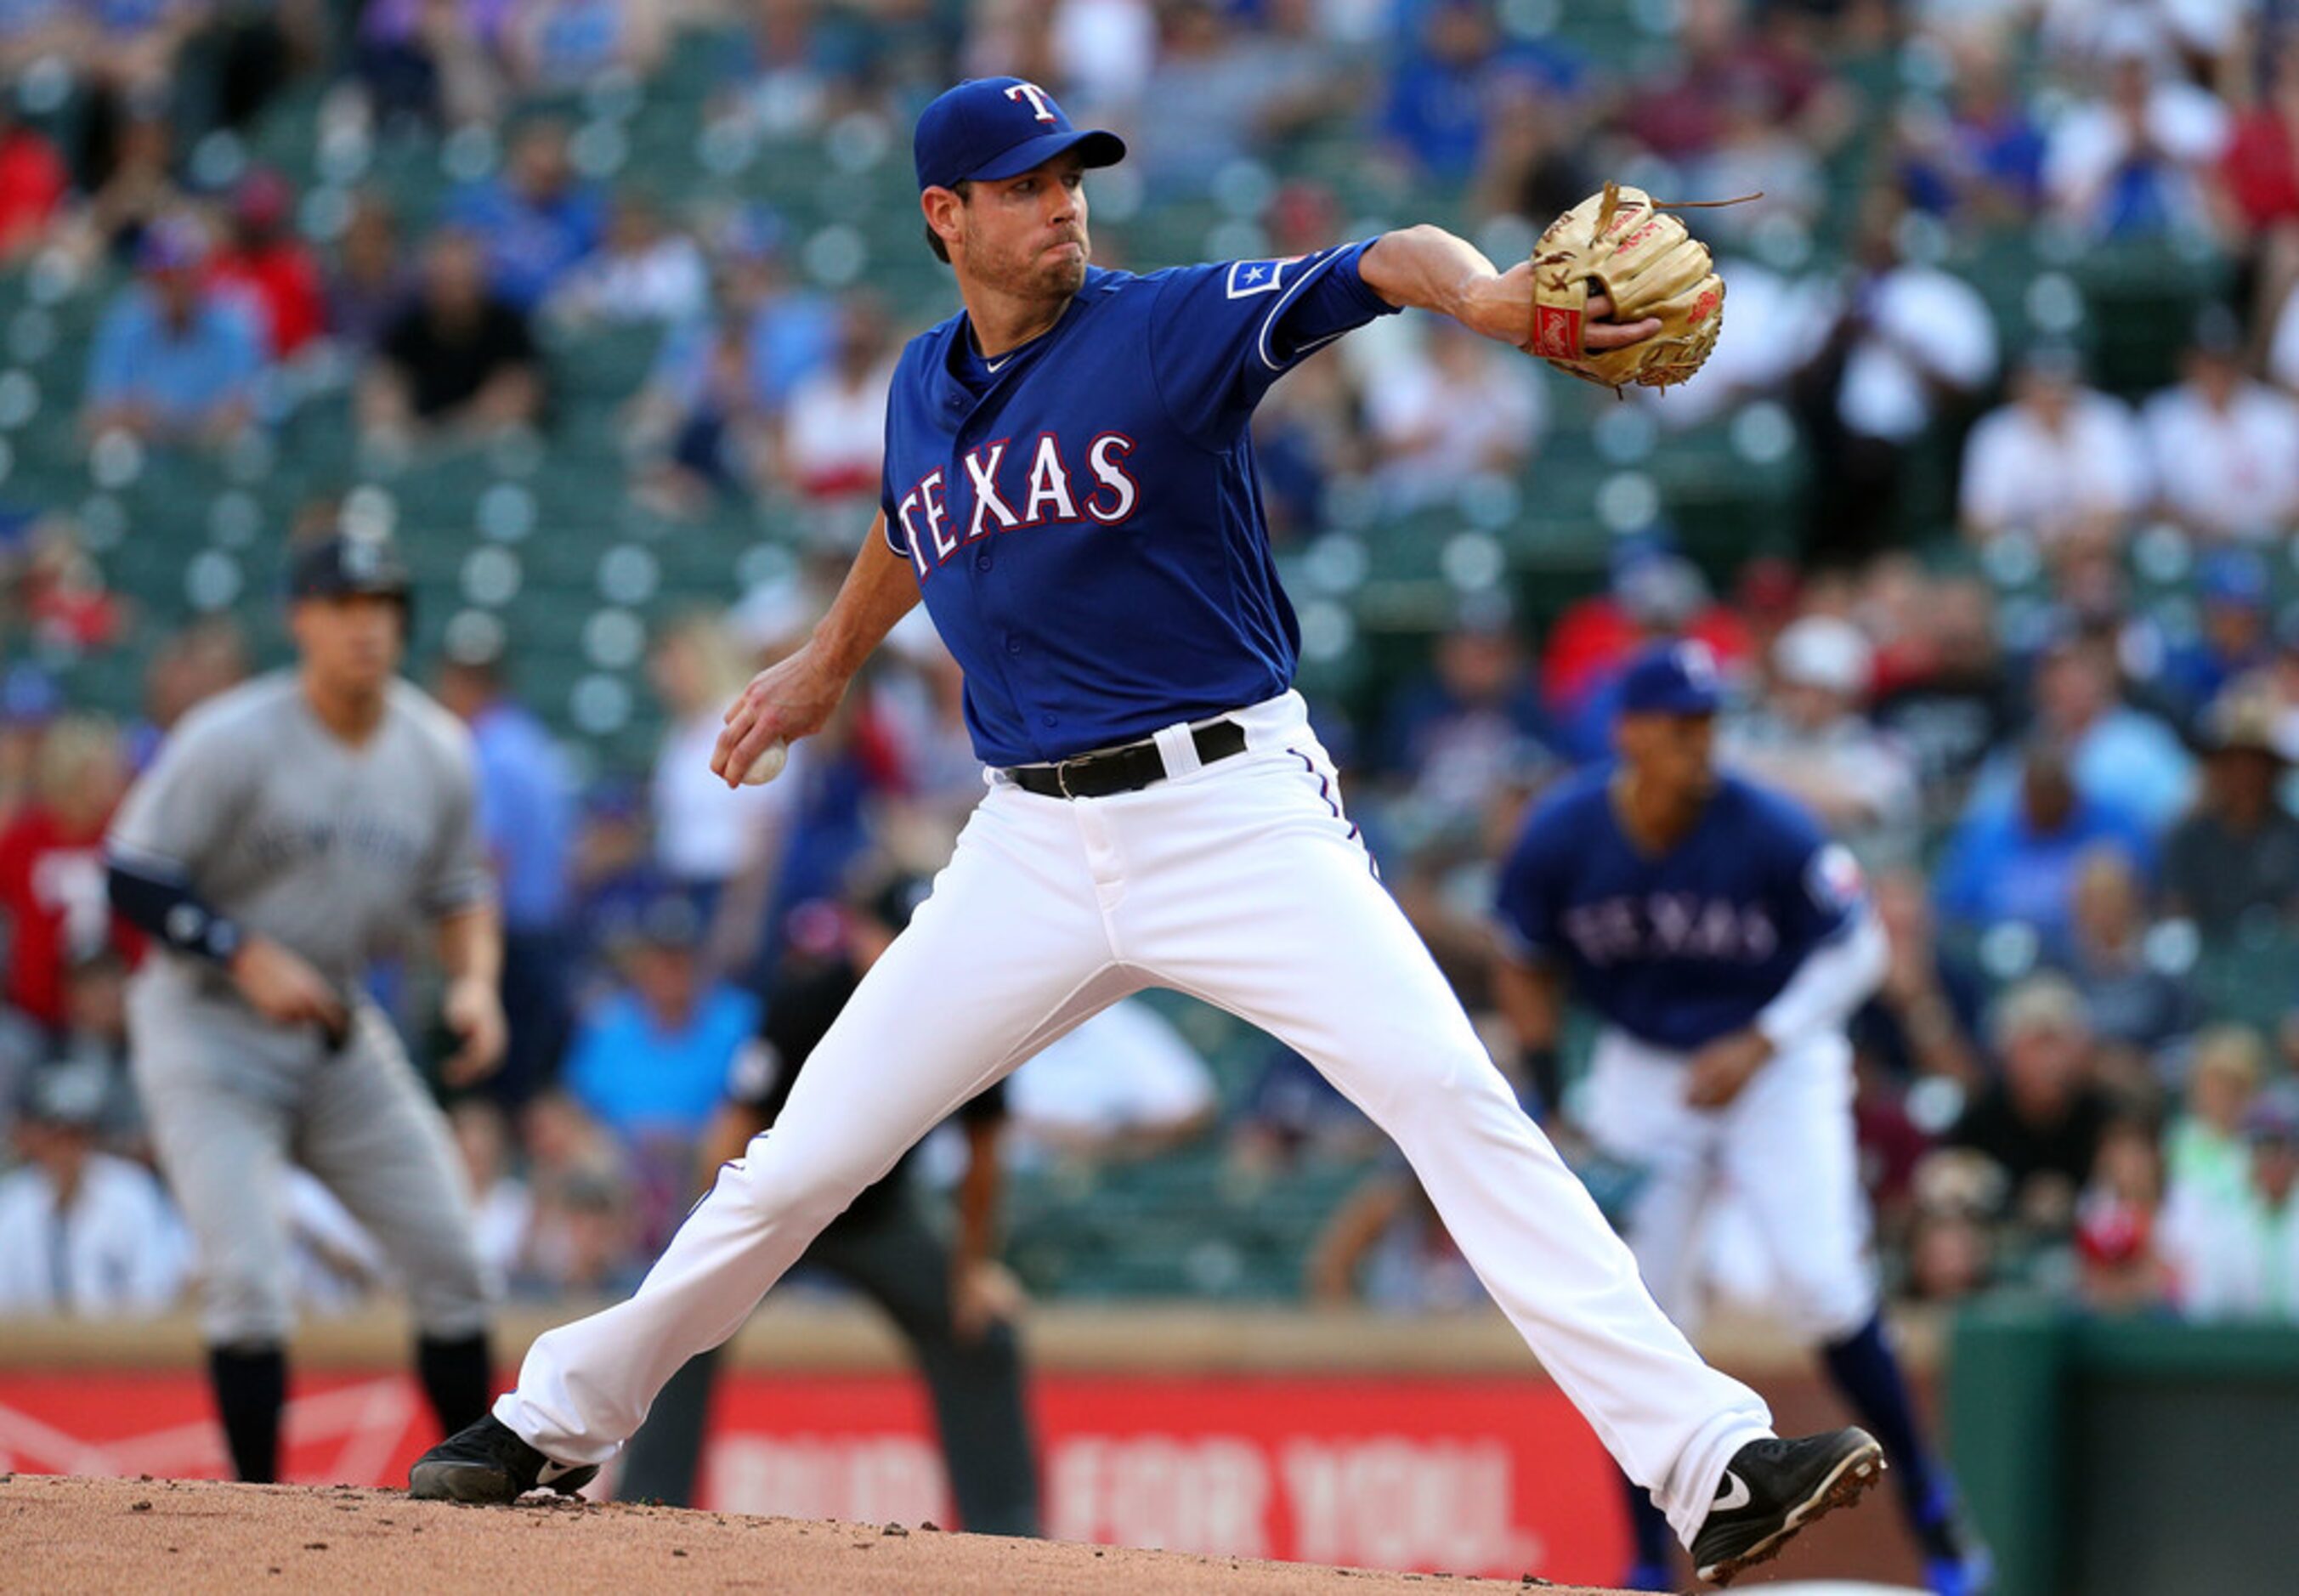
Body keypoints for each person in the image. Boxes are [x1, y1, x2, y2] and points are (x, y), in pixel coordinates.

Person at [411, 76, 1883, 1588]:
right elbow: (917, 516)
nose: (1063, 202)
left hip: (1231, 808)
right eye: (1028, 183)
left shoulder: (1161, 327)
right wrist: (824, 660)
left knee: (1451, 1094)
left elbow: (1382, 260)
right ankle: (554, 1419)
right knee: (797, 1164)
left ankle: (1708, 1460)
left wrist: (1494, 297)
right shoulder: (922, 383)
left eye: (1074, 176)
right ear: (948, 215)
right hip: (1026, 847)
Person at [1491, 641, 1985, 1596]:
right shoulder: (1563, 832)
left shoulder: (1764, 824)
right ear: (1629, 732)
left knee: (1820, 1285)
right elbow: (1520, 955)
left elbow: (1858, 949)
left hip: (1776, 1063)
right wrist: (1553, 1090)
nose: (1699, 742)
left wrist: (1762, 1042)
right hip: (1645, 1071)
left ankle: (1929, 1501)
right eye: (1680, 725)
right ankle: (1642, 1559)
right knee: (1629, 1308)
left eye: (1709, 723)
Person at [105, 532, 507, 1485]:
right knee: (248, 1283)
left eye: (382, 608)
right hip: (206, 1027)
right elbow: (132, 875)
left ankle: (479, 1492)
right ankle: (259, 1518)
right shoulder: (232, 736)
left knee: (455, 1264)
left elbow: (459, 894)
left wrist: (474, 983)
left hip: (333, 1026)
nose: (365, 627)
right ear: (301, 619)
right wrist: (240, 954)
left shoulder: (436, 750)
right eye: (343, 606)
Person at [615, 874, 1039, 1535]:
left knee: (981, 1335)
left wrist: (972, 1267)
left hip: (875, 1217)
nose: (895, 948)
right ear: (857, 933)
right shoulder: (807, 1001)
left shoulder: (960, 1010)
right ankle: (648, 1505)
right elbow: (732, 1130)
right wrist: (699, 1241)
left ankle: (1010, 1533)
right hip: (777, 1206)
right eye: (883, 934)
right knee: (682, 1317)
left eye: (909, 935)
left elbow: (984, 1149)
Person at [0, 1060, 186, 1317]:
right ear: (34, 1138)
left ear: (90, 1136)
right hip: (31, 1350)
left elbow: (153, 1292)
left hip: (119, 1348)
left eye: (74, 1134)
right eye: (54, 1135)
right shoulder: (12, 1203)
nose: (64, 1148)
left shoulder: (132, 1194)